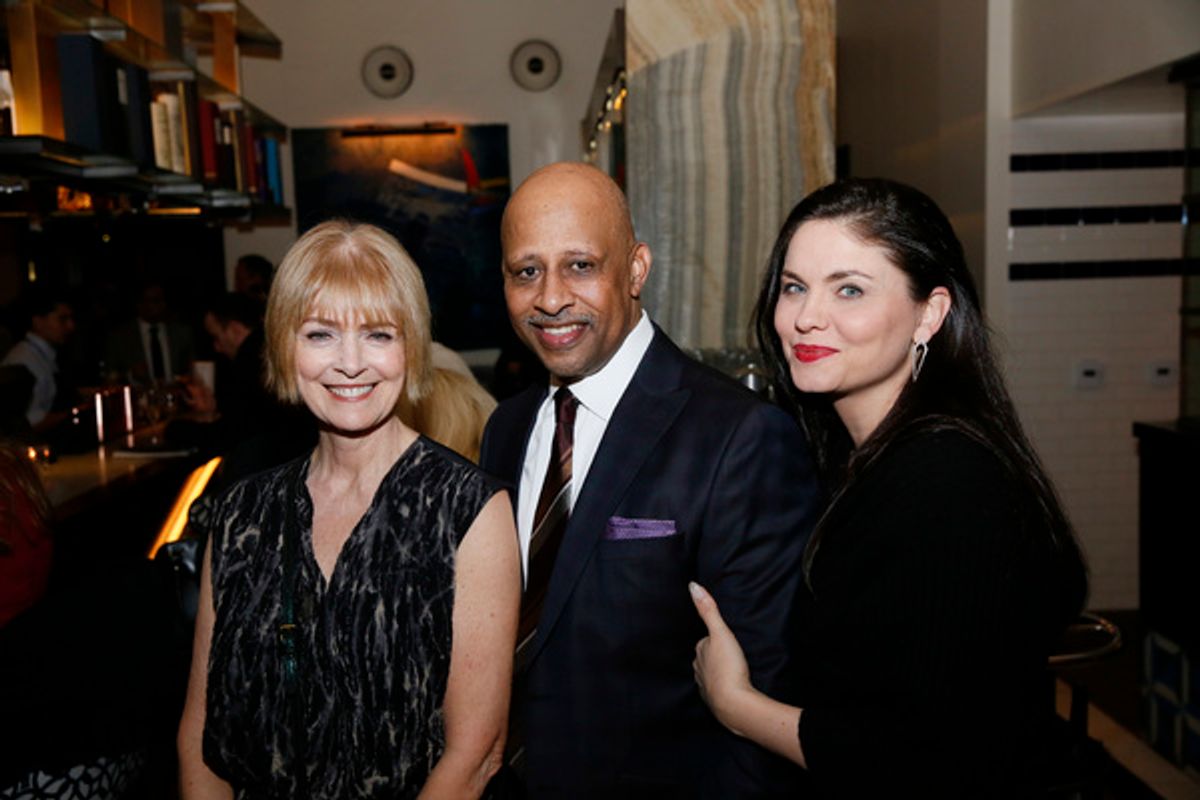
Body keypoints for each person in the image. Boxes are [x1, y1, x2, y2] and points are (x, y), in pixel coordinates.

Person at [690, 178, 1089, 796]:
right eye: (794, 287)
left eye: (849, 289)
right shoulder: (861, 456)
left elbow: (916, 760)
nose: (806, 317)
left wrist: (735, 703)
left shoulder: (947, 482)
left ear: (929, 314)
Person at [479, 162, 819, 797]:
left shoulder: (739, 437)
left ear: (636, 270)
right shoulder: (507, 428)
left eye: (580, 265)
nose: (550, 298)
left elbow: (767, 698)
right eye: (526, 272)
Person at [177, 220, 520, 799]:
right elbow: (200, 734)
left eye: (379, 334)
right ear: (284, 346)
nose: (351, 363)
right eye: (321, 334)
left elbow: (475, 756)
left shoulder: (469, 510)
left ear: (412, 346)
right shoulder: (241, 513)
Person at [1, 290, 75, 430]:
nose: (71, 326)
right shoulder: (24, 361)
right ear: (38, 322)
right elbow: (31, 422)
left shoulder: (42, 354)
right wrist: (78, 414)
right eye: (62, 319)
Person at [105, 281, 194, 385]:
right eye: (155, 300)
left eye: (162, 300)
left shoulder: (181, 332)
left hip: (176, 391)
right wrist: (131, 374)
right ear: (140, 304)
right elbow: (110, 375)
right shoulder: (121, 336)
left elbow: (193, 367)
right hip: (138, 392)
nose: (161, 305)